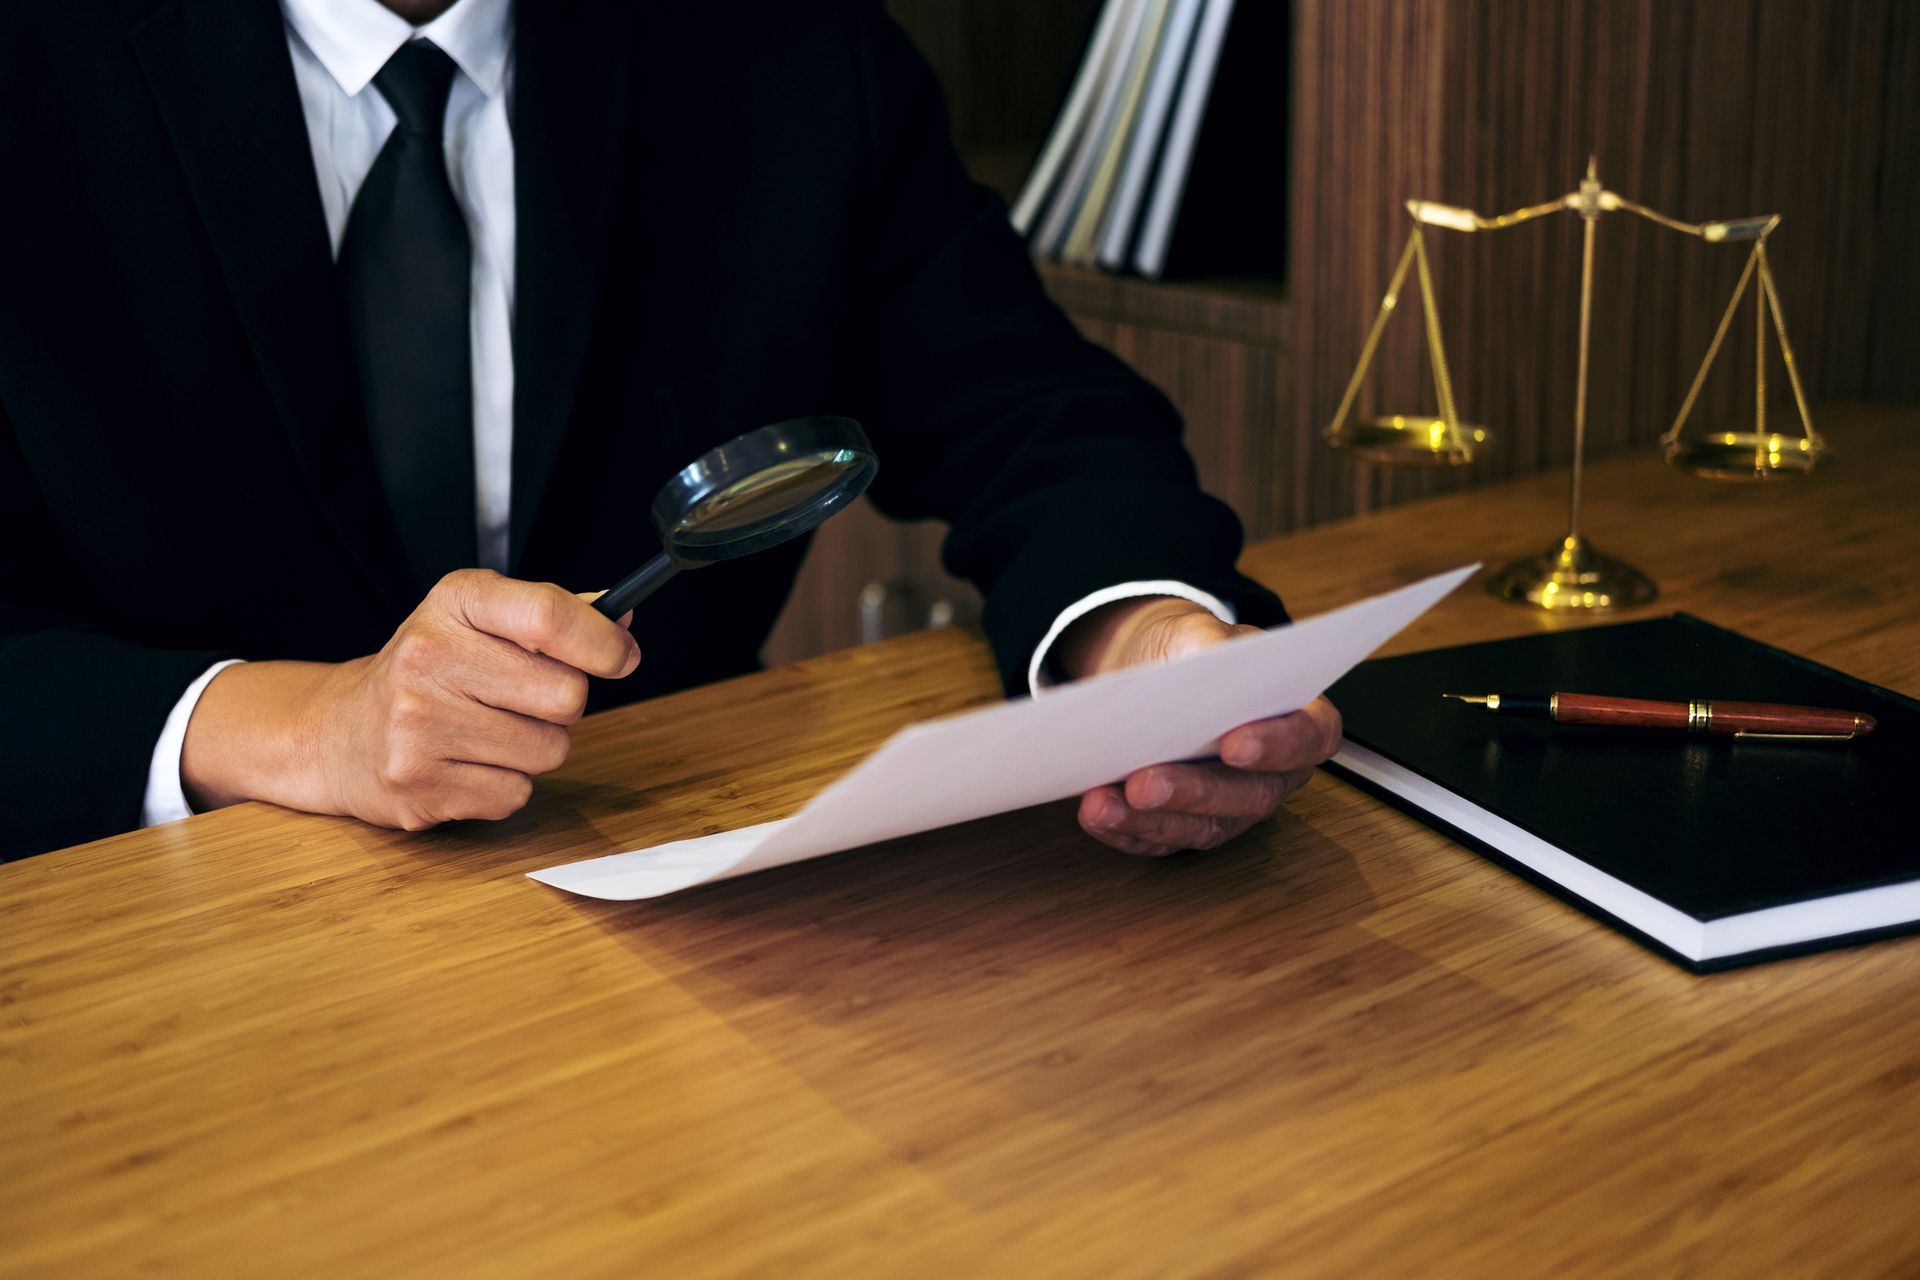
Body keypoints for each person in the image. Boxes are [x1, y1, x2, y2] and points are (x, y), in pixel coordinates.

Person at [0, 0, 1339, 860]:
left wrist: (1141, 645)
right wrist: (298, 725)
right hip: (145, 943)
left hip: (668, 923)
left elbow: (1033, 412)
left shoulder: (790, 48)